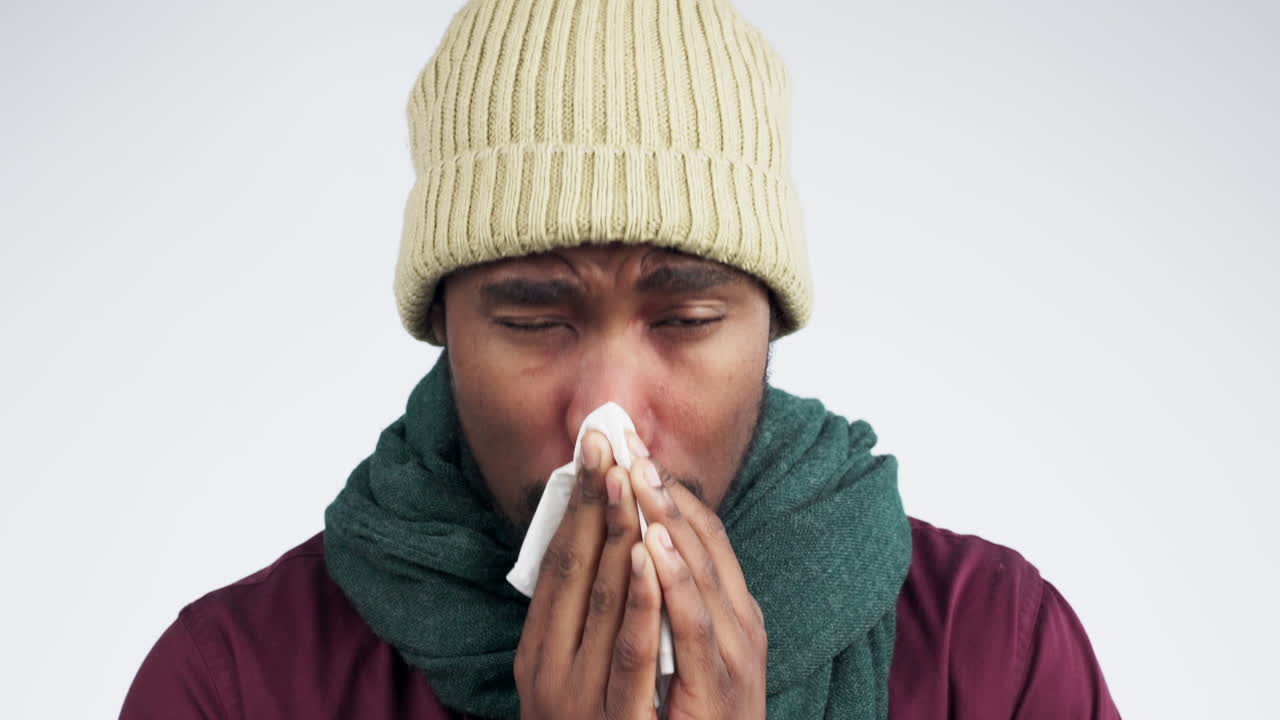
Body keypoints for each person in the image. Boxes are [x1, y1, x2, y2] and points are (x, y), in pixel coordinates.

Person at [120, 0, 1121, 717]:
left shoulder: (992, 656)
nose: (606, 419)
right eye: (530, 322)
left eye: (684, 318)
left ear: (766, 322)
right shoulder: (235, 683)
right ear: (445, 330)